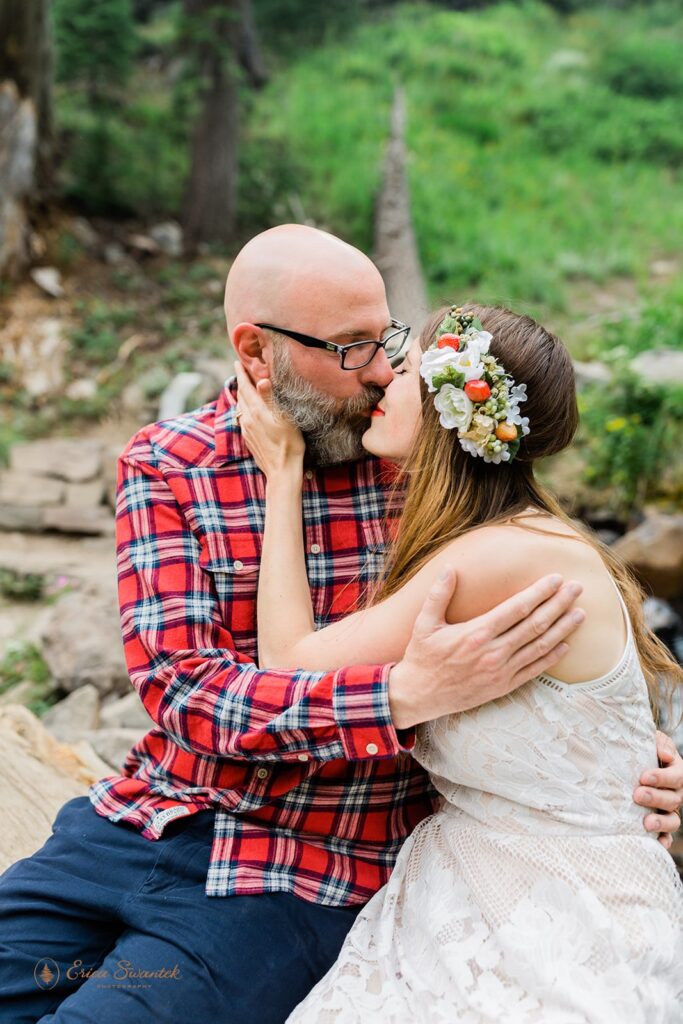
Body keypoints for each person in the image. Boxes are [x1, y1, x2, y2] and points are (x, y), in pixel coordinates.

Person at [0, 228, 680, 1024]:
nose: (385, 372)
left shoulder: (426, 466)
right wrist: (400, 694)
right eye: (352, 347)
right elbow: (186, 694)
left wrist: (650, 771)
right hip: (144, 823)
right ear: (256, 352)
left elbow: (592, 654)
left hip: (303, 869)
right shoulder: (170, 463)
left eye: (387, 339)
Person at [235, 300, 683, 1022]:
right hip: (482, 878)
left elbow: (289, 664)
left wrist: (282, 477)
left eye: (405, 367)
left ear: (450, 408)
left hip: (560, 912)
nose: (382, 379)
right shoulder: (512, 536)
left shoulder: (504, 556)